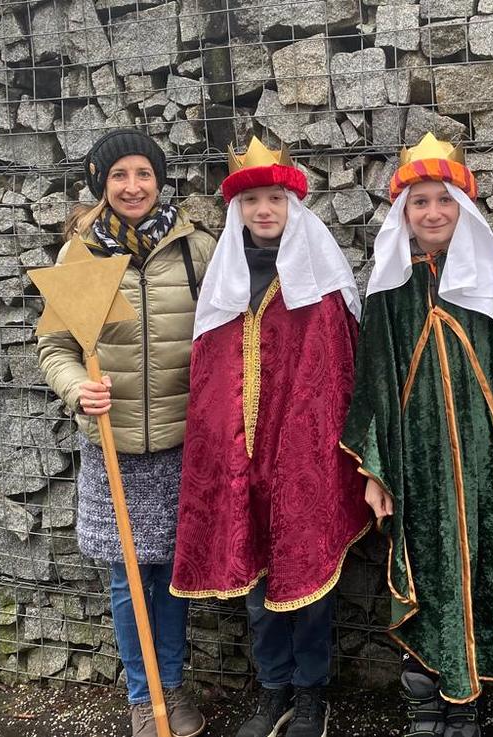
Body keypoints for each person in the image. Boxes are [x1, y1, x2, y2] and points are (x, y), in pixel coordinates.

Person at [340, 133, 493, 737]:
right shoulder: (389, 287)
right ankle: (423, 703)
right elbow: (374, 384)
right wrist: (374, 472)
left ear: (462, 207)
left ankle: (466, 707)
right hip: (414, 467)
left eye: (444, 200)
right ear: (403, 212)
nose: (433, 212)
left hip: (486, 464)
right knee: (423, 569)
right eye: (419, 202)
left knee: (479, 567)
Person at [169, 137, 369, 737]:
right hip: (241, 459)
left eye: (274, 199)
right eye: (252, 200)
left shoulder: (318, 283)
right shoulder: (225, 285)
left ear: (292, 205)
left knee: (308, 580)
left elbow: (335, 378)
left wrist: (316, 451)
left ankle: (311, 695)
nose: (264, 210)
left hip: (305, 460)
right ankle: (273, 688)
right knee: (257, 589)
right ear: (238, 210)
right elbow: (209, 380)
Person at [37, 128, 216, 737]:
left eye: (143, 173)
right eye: (119, 175)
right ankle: (144, 699)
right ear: (101, 183)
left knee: (172, 574)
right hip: (112, 444)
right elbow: (56, 347)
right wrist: (76, 390)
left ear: (159, 180)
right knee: (127, 575)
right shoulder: (81, 255)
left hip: (181, 442)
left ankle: (172, 689)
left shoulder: (197, 251)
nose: (132, 186)